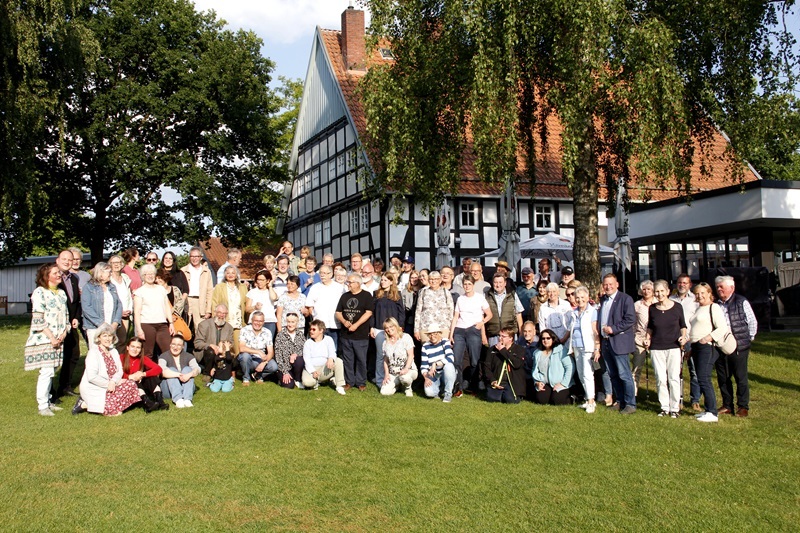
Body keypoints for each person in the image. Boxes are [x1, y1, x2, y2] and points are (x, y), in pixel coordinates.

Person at [24, 263, 70, 416]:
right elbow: (38, 317)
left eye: (59, 273)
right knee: (46, 371)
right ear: (46, 276)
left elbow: (66, 316)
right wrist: (51, 337)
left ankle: (49, 401)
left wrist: (64, 333)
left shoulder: (62, 294)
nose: (59, 275)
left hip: (58, 338)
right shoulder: (40, 292)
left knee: (52, 370)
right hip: (45, 339)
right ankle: (42, 405)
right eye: (56, 273)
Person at [643, 280, 688, 418]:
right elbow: (650, 326)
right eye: (657, 291)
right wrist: (647, 339)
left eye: (662, 291)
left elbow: (683, 325)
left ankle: (675, 408)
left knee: (673, 378)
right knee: (660, 378)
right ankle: (664, 407)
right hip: (657, 347)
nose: (659, 294)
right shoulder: (652, 308)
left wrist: (684, 337)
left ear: (668, 291)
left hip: (673, 347)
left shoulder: (677, 307)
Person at [714, 275, 757, 417]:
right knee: (723, 377)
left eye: (722, 287)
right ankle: (727, 405)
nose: (719, 289)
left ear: (731, 288)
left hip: (739, 345)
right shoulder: (716, 304)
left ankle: (743, 406)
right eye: (717, 287)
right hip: (720, 345)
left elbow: (752, 321)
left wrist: (747, 339)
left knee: (740, 377)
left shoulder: (741, 301)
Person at [75, 324, 141, 416]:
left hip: (112, 385)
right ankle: (85, 403)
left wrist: (113, 382)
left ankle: (113, 406)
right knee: (113, 412)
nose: (108, 339)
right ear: (99, 338)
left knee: (131, 384)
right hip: (96, 387)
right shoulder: (93, 353)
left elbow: (119, 371)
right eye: (104, 336)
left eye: (110, 336)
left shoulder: (113, 351)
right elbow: (92, 377)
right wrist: (108, 384)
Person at [688, 282, 727, 423]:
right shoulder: (699, 309)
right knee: (700, 377)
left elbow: (722, 327)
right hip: (697, 347)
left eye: (703, 293)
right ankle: (708, 410)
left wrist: (708, 338)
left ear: (710, 293)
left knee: (704, 378)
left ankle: (712, 412)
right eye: (697, 293)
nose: (700, 296)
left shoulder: (714, 307)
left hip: (708, 347)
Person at [599, 273, 637, 414]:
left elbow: (630, 319)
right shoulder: (603, 300)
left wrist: (613, 329)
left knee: (624, 374)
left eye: (611, 284)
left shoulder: (625, 299)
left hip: (619, 342)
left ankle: (630, 404)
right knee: (613, 374)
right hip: (606, 342)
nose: (608, 287)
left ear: (617, 284)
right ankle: (620, 401)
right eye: (605, 284)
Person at [450, 274, 492, 394]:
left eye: (469, 284)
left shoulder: (480, 298)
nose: (467, 286)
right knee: (457, 360)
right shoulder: (460, 299)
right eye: (465, 284)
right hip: (459, 330)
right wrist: (451, 335)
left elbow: (489, 314)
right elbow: (455, 317)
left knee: (474, 360)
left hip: (473, 329)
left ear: (473, 285)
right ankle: (458, 385)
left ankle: (473, 384)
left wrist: (481, 323)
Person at [335, 274, 375, 391]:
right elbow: (338, 312)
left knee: (361, 359)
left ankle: (361, 382)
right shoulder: (345, 296)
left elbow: (368, 312)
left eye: (350, 282)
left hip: (361, 335)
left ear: (358, 283)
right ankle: (349, 381)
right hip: (346, 334)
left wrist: (356, 325)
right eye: (348, 282)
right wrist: (344, 321)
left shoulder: (366, 296)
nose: (348, 284)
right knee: (348, 359)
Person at [54, 249, 81, 400]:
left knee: (73, 354)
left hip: (71, 324)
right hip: (56, 324)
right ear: (57, 260)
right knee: (54, 357)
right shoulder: (52, 276)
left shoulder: (74, 279)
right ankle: (51, 391)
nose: (67, 262)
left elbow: (75, 302)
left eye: (70, 260)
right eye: (64, 259)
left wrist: (76, 317)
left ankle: (65, 385)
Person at [133, 263, 176, 360]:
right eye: (147, 274)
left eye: (152, 273)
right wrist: (139, 329)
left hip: (162, 325)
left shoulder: (161, 289)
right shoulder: (139, 292)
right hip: (146, 324)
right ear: (143, 276)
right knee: (148, 353)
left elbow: (167, 307)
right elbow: (137, 312)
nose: (150, 276)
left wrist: (171, 323)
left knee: (168, 351)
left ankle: (168, 373)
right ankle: (148, 374)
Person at [671, 274, 700, 411]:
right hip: (674, 340)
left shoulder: (695, 300)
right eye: (680, 282)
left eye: (685, 283)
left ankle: (695, 400)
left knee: (694, 371)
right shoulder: (671, 299)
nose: (682, 285)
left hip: (691, 339)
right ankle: (678, 398)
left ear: (690, 285)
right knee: (675, 372)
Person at [371, 272, 405, 387]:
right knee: (381, 355)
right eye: (382, 280)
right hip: (379, 329)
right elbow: (372, 313)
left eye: (385, 280)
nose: (383, 282)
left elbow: (401, 312)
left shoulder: (397, 294)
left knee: (394, 353)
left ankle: (394, 378)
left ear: (391, 281)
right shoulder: (376, 294)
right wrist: (371, 327)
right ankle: (380, 379)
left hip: (394, 329)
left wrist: (400, 326)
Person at [570, 286, 601, 413]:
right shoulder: (574, 312)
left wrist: (597, 348)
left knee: (588, 374)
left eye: (582, 297)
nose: (580, 300)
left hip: (588, 347)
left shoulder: (592, 311)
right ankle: (588, 398)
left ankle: (591, 402)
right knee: (581, 374)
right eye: (577, 297)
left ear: (588, 298)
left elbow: (595, 331)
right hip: (576, 346)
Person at [118, 336, 168, 411]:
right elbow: (116, 374)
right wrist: (129, 376)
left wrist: (143, 374)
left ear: (141, 350)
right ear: (127, 347)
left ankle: (159, 400)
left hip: (141, 384)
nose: (135, 349)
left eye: (138, 347)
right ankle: (146, 402)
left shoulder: (143, 358)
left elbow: (158, 369)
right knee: (134, 380)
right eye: (132, 346)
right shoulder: (121, 357)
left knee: (151, 377)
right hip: (126, 386)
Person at [81, 262, 122, 352]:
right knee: (96, 353)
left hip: (111, 326)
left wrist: (115, 322)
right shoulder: (89, 287)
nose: (111, 274)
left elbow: (119, 304)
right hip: (94, 327)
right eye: (109, 272)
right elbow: (86, 307)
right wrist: (101, 324)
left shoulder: (112, 287)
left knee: (110, 352)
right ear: (100, 273)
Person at [301, 319, 347, 394]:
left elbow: (332, 352)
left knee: (338, 361)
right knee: (307, 382)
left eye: (314, 329)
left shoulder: (329, 339)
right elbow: (307, 360)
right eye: (310, 329)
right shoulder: (307, 343)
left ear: (321, 330)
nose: (311, 331)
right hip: (312, 368)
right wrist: (312, 371)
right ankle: (317, 382)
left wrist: (331, 358)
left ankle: (339, 386)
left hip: (324, 368)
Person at [483, 326, 526, 403]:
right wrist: (492, 380)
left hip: (512, 383)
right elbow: (487, 367)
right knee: (492, 398)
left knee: (510, 400)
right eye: (499, 336)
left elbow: (517, 364)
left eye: (503, 336)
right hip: (497, 381)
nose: (500, 338)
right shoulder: (492, 350)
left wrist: (503, 351)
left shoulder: (519, 350)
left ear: (511, 338)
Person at [211, 265, 248, 354]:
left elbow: (246, 303)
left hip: (238, 322)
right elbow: (214, 303)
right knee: (225, 347)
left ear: (236, 275)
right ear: (224, 275)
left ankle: (237, 367)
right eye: (228, 273)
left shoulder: (243, 287)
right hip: (225, 320)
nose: (230, 275)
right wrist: (215, 318)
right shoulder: (219, 287)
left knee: (237, 349)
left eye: (233, 273)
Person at [532, 328, 574, 405]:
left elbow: (570, 367)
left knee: (557, 400)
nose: (545, 340)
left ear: (553, 339)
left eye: (548, 338)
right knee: (541, 400)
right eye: (543, 338)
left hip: (560, 383)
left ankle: (573, 397)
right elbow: (535, 370)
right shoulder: (537, 353)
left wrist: (563, 384)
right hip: (545, 383)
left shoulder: (561, 350)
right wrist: (537, 382)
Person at [305, 265, 344, 347]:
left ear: (331, 274)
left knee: (333, 349)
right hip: (319, 326)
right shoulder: (315, 288)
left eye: (325, 273)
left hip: (334, 325)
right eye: (321, 273)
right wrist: (315, 317)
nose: (322, 275)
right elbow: (309, 306)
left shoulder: (340, 288)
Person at [194, 305, 234, 382]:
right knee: (211, 351)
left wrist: (221, 348)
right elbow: (197, 343)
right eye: (219, 312)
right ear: (215, 313)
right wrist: (210, 345)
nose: (221, 315)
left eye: (224, 313)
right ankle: (207, 374)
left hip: (221, 353)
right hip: (206, 354)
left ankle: (222, 373)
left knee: (230, 355)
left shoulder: (229, 328)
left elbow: (231, 343)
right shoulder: (204, 325)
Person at [158, 335, 201, 408]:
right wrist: (178, 375)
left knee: (187, 369)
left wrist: (189, 374)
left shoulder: (189, 356)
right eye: (173, 344)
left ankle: (187, 399)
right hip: (168, 389)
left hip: (185, 387)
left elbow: (197, 369)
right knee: (171, 369)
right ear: (170, 344)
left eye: (179, 345)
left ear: (183, 347)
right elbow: (162, 370)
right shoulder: (163, 356)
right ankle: (178, 400)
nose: (175, 347)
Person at [380, 317, 418, 397]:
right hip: (394, 373)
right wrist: (386, 374)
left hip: (408, 370)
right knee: (384, 392)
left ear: (396, 326)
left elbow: (411, 355)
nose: (389, 329)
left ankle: (407, 388)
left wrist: (406, 368)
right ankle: (398, 386)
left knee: (405, 378)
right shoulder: (385, 342)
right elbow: (385, 360)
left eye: (391, 327)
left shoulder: (406, 337)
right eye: (386, 328)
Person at [414, 270, 454, 344]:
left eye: (436, 279)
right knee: (427, 352)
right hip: (426, 327)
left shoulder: (446, 292)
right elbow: (418, 311)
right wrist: (416, 330)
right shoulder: (423, 292)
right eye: (431, 279)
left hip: (443, 328)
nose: (433, 281)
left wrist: (451, 329)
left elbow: (451, 311)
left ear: (440, 280)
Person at [484, 273, 524, 347]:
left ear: (505, 283)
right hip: (494, 335)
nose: (498, 285)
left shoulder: (512, 295)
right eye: (496, 282)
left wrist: (521, 334)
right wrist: (483, 336)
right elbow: (482, 316)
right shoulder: (486, 296)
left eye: (500, 282)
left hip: (510, 335)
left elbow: (518, 314)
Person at [238, 310, 276, 386]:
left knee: (274, 366)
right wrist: (258, 352)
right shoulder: (245, 330)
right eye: (256, 321)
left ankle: (257, 375)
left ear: (263, 322)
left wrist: (264, 363)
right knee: (245, 356)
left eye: (260, 321)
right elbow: (241, 348)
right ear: (251, 320)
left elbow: (271, 352)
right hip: (248, 359)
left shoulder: (267, 332)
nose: (258, 323)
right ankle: (246, 378)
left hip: (260, 360)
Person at [181, 246, 214, 333]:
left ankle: (199, 347)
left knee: (200, 330)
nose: (194, 259)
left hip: (200, 302)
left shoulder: (207, 271)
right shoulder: (183, 271)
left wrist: (208, 310)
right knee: (183, 328)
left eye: (197, 256)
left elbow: (210, 291)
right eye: (192, 256)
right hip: (186, 301)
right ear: (189, 257)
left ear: (201, 257)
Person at [420, 324, 456, 402]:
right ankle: (439, 390)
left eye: (435, 334)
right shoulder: (425, 346)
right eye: (430, 334)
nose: (432, 336)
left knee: (449, 366)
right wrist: (426, 377)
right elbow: (423, 366)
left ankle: (448, 394)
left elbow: (450, 358)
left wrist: (435, 364)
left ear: (439, 334)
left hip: (444, 372)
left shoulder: (445, 342)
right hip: (433, 374)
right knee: (429, 392)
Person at [633, 280, 655, 396]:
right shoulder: (637, 305)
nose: (646, 292)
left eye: (649, 289)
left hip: (655, 339)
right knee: (636, 369)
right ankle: (633, 395)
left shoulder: (657, 303)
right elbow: (633, 323)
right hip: (640, 339)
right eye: (644, 289)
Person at [274, 312, 306, 389]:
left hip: (296, 365)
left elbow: (305, 350)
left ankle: (297, 379)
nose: (290, 324)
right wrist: (285, 372)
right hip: (284, 366)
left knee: (299, 359)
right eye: (288, 322)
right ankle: (281, 377)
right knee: (289, 386)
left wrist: (296, 354)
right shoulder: (280, 335)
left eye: (293, 322)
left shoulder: (300, 334)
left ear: (297, 323)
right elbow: (278, 356)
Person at [108, 254, 132, 351]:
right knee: (110, 340)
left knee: (122, 341)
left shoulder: (125, 278)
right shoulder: (108, 279)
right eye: (114, 263)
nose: (116, 265)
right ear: (110, 265)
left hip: (125, 315)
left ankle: (120, 363)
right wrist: (119, 312)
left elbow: (129, 296)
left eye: (118, 262)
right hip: (112, 315)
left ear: (122, 264)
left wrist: (129, 309)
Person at [537, 282, 572, 347]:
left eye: (554, 291)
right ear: (547, 293)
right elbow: (542, 327)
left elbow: (571, 323)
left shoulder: (566, 305)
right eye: (549, 292)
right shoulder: (543, 308)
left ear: (558, 292)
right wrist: (549, 341)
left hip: (566, 341)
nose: (552, 294)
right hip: (551, 343)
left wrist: (564, 338)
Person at [245, 269, 278, 336]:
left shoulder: (272, 291)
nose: (259, 282)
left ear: (267, 280)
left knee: (268, 344)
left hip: (269, 321)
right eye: (258, 279)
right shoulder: (252, 292)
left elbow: (274, 298)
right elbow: (247, 309)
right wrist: (254, 307)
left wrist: (270, 286)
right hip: (255, 321)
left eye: (262, 280)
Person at [401, 270, 420, 335]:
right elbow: (402, 306)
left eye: (415, 278)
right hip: (409, 319)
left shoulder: (422, 290)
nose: (414, 280)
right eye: (412, 278)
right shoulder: (405, 291)